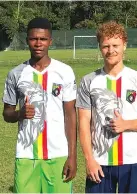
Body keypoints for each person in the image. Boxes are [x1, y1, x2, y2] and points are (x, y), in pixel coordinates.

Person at [76, 21, 137, 193]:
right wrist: (89, 159)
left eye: (115, 45)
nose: (110, 50)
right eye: (105, 46)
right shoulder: (88, 81)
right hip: (100, 162)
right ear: (99, 47)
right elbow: (83, 122)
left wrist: (125, 124)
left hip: (132, 159)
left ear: (124, 45)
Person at [2, 17, 77, 193]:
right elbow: (6, 113)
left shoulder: (64, 72)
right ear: (27, 40)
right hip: (26, 155)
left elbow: (70, 116)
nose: (38, 43)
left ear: (50, 41)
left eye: (43, 39)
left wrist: (72, 156)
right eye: (33, 39)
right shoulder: (15, 74)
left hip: (58, 155)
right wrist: (19, 114)